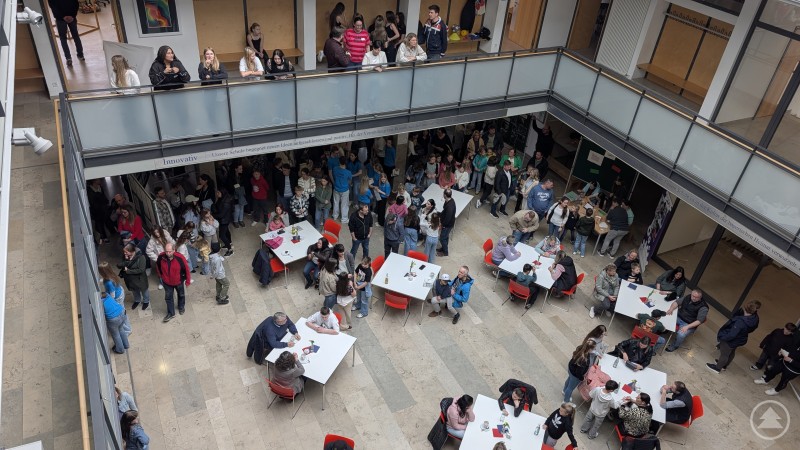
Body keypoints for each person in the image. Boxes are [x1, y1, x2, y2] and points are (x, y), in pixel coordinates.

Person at [707, 300, 760, 373]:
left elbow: (731, 335)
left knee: (724, 354)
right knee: (731, 352)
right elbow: (752, 328)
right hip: (740, 339)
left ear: (745, 309)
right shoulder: (755, 318)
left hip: (732, 340)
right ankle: (724, 365)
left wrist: (722, 338)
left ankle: (717, 368)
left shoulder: (740, 322)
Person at [156, 243, 191, 323]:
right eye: (166, 251)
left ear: (174, 250)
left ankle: (181, 307)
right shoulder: (161, 257)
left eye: (170, 251)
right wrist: (160, 276)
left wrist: (187, 281)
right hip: (166, 282)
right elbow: (158, 266)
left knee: (181, 295)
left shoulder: (180, 258)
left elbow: (186, 269)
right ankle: (171, 313)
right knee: (168, 298)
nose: (168, 253)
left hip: (178, 281)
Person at [49, 0, 84, 67]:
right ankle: (81, 55)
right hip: (71, 17)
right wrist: (72, 15)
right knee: (76, 36)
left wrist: (62, 16)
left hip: (60, 19)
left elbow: (52, 5)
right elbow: (76, 3)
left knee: (63, 38)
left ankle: (68, 58)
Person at [117, 243, 149, 310]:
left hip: (140, 278)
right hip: (130, 279)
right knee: (134, 290)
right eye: (124, 252)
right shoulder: (125, 256)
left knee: (144, 290)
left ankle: (146, 301)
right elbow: (119, 265)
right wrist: (126, 260)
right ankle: (137, 300)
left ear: (132, 251)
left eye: (126, 252)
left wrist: (128, 271)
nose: (125, 253)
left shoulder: (141, 257)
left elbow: (141, 270)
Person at [146, 225, 175, 290]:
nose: (157, 234)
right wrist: (157, 259)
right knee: (161, 272)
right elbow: (148, 251)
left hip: (169, 256)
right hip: (161, 259)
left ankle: (171, 281)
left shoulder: (166, 235)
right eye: (155, 233)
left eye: (158, 232)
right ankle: (162, 283)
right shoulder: (152, 240)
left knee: (171, 269)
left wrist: (173, 251)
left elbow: (173, 243)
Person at [213, 188, 234, 256]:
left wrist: (212, 215)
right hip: (224, 219)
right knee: (226, 231)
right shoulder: (222, 198)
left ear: (222, 193)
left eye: (218, 193)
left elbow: (221, 214)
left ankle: (230, 249)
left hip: (224, 220)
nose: (217, 194)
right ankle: (229, 242)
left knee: (222, 236)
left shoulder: (226, 202)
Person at [332, 157, 353, 224]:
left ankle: (335, 216)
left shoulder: (335, 169)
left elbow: (334, 176)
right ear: (346, 163)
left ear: (339, 161)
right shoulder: (348, 172)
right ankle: (344, 219)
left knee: (336, 203)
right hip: (345, 189)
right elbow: (350, 181)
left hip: (336, 188)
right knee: (344, 205)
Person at [437, 189, 456, 257]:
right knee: (446, 237)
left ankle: (445, 252)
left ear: (445, 195)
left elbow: (448, 218)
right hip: (448, 223)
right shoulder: (449, 200)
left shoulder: (450, 206)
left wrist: (443, 225)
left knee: (442, 238)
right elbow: (444, 209)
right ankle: (443, 248)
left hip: (447, 225)